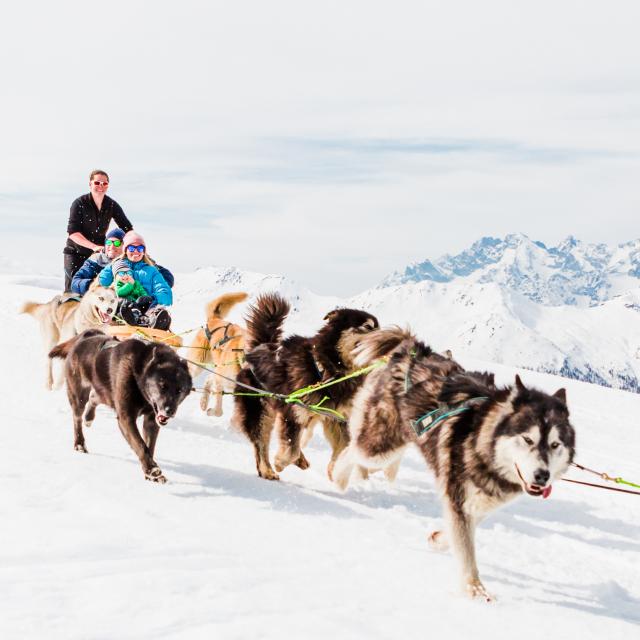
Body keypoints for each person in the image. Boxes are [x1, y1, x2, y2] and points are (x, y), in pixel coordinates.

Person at [63, 170, 133, 292]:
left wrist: (134, 245)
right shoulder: (79, 203)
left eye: (104, 184)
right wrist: (94, 246)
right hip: (75, 253)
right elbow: (73, 233)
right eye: (97, 183)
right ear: (90, 184)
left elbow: (127, 229)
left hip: (98, 256)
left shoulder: (111, 205)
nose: (101, 186)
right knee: (73, 291)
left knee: (98, 290)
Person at [98, 231, 172, 330]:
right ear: (125, 250)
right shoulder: (118, 266)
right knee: (122, 303)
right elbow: (103, 282)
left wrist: (163, 300)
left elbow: (161, 286)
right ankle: (130, 317)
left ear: (143, 252)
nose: (136, 251)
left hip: (144, 306)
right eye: (132, 248)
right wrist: (112, 267)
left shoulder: (151, 270)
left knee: (148, 302)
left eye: (140, 248)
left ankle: (153, 320)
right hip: (124, 304)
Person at [71, 228, 174, 296]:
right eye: (108, 242)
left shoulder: (137, 259)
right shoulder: (97, 260)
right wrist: (96, 287)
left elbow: (167, 278)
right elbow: (76, 282)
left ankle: (154, 319)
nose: (112, 246)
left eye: (117, 243)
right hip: (104, 302)